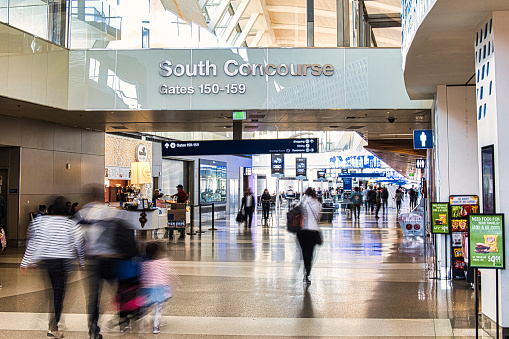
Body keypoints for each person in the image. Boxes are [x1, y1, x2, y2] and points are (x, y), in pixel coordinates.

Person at [21, 196, 85, 339]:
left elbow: (34, 242)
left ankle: (54, 321)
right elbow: (78, 244)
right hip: (63, 263)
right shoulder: (70, 224)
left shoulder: (40, 221)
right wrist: (81, 261)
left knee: (52, 292)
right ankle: (53, 326)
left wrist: (27, 262)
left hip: (48, 262)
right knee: (58, 295)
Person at [141, 241, 181, 334]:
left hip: (148, 289)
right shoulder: (164, 262)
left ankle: (149, 320)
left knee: (153, 304)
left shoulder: (145, 263)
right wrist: (177, 282)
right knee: (160, 305)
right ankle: (156, 325)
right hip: (161, 289)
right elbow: (171, 273)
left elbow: (143, 277)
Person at [296, 187, 322, 284]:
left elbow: (296, 212)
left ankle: (305, 264)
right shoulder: (317, 204)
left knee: (304, 251)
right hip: (313, 231)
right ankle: (307, 273)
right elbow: (318, 216)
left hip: (302, 231)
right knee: (310, 252)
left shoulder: (302, 202)